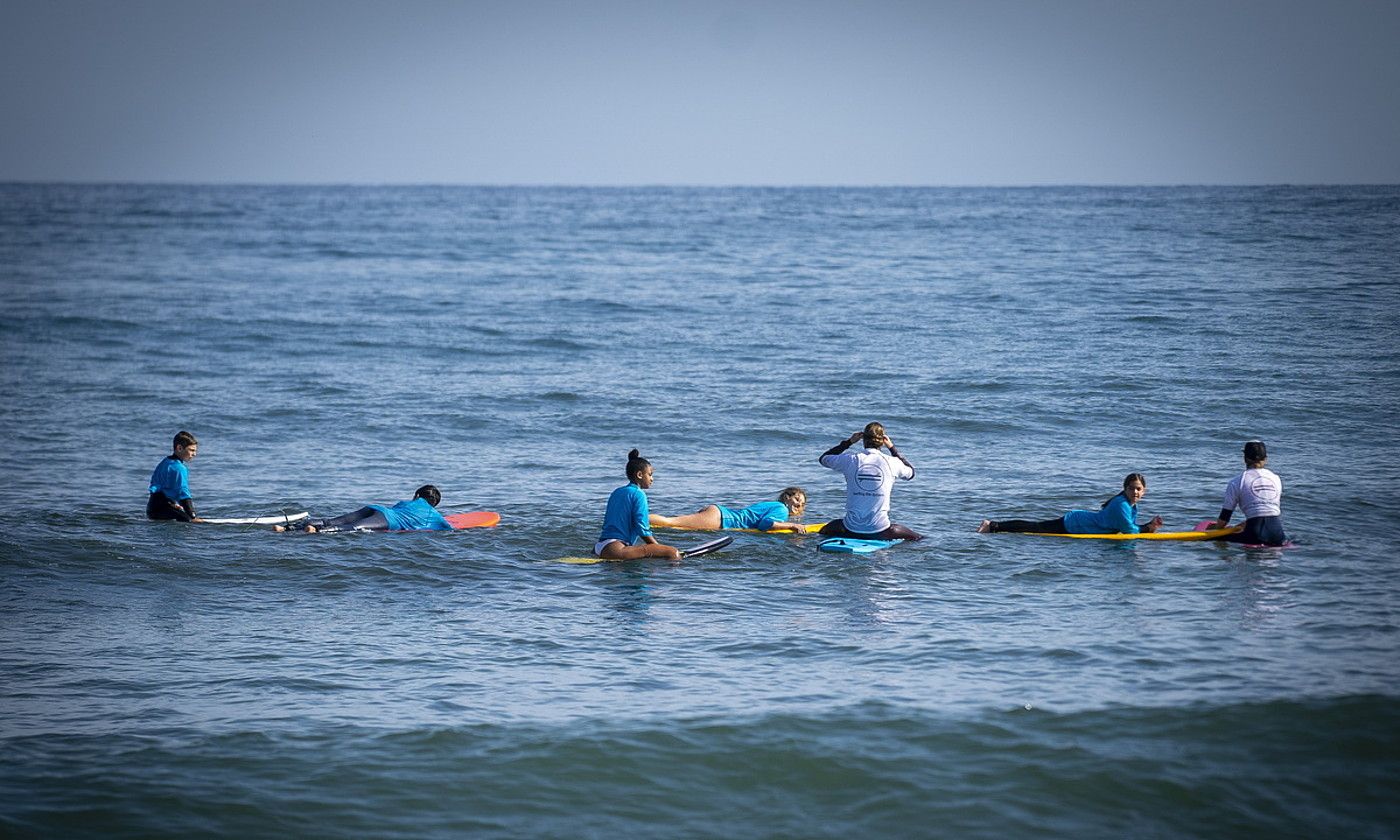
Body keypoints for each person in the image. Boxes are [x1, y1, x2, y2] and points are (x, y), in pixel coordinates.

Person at [818, 422, 922, 541]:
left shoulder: (851, 459)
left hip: (850, 529)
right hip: (882, 531)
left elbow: (823, 459)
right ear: (882, 440)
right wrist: (892, 448)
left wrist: (849, 442)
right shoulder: (892, 462)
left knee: (825, 530)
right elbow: (911, 473)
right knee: (919, 538)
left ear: (863, 439)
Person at [977, 473, 1164, 534]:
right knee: (1035, 528)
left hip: (1080, 520)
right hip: (1076, 524)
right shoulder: (1121, 505)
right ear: (1125, 489)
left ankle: (994, 525)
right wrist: (1148, 528)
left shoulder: (1129, 504)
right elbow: (1130, 531)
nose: (1135, 492)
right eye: (1132, 488)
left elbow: (1128, 528)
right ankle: (993, 526)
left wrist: (1148, 527)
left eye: (1139, 489)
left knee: (1037, 526)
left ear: (1144, 491)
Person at [594, 449, 682, 559]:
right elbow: (641, 527)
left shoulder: (617, 491)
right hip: (615, 548)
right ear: (640, 475)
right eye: (650, 475)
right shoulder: (638, 494)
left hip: (600, 546)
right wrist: (658, 548)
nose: (652, 479)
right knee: (673, 553)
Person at [1206, 441, 1288, 546]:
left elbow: (1224, 519)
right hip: (1278, 535)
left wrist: (1214, 531)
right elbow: (1266, 510)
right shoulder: (1276, 479)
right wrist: (1244, 524)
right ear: (1266, 459)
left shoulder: (1237, 481)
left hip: (1254, 535)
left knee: (1214, 541)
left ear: (1245, 459)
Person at [276, 485, 451, 533]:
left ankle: (287, 528)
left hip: (375, 508)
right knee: (353, 529)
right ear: (434, 503)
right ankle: (316, 531)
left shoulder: (408, 502)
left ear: (418, 495)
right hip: (386, 521)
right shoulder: (433, 514)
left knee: (333, 520)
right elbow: (449, 529)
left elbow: (398, 510)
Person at [649, 487, 809, 533]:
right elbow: (765, 524)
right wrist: (792, 526)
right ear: (787, 497)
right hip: (721, 519)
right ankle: (635, 517)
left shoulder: (773, 505)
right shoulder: (782, 510)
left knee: (672, 522)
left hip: (719, 514)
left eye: (801, 504)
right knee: (669, 522)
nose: (798, 505)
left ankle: (637, 517)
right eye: (796, 500)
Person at [147, 430, 205, 522]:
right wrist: (192, 516)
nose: (194, 454)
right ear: (179, 448)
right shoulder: (179, 468)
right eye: (191, 450)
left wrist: (172, 503)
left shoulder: (165, 462)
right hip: (162, 510)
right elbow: (183, 492)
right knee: (191, 523)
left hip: (152, 509)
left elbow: (161, 488)